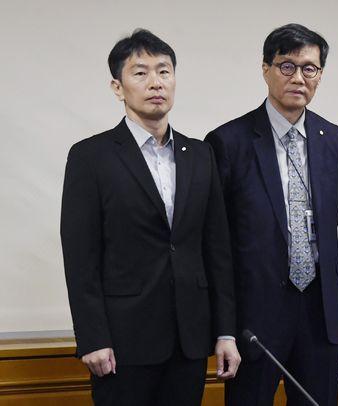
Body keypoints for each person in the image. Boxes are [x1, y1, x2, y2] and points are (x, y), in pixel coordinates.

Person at [60, 28, 240, 405]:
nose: (155, 82)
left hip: (190, 340)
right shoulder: (90, 157)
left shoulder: (201, 155)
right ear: (117, 87)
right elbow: (80, 258)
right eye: (140, 73)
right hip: (122, 342)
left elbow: (218, 251)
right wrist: (92, 338)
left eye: (164, 71)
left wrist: (225, 331)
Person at [205, 23, 338, 405]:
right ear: (265, 68)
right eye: (287, 66)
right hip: (256, 318)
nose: (298, 77)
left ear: (320, 75)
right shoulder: (228, 142)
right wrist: (225, 327)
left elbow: (328, 218)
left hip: (320, 313)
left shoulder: (335, 140)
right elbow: (217, 244)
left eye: (309, 68)